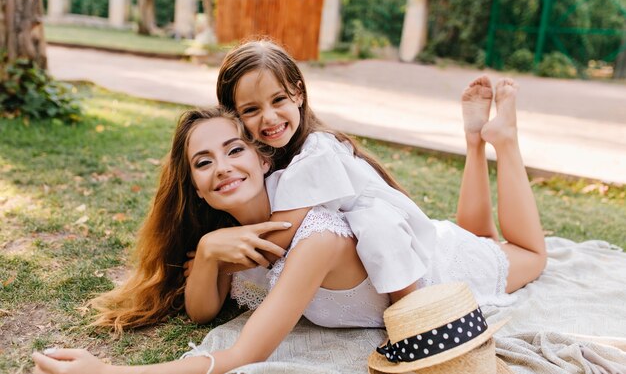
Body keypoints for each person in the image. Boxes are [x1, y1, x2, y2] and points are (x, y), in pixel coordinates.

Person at [33, 75, 547, 374]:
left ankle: (501, 140)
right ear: (193, 184)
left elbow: (242, 354)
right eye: (203, 162)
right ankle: (476, 140)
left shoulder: (316, 235)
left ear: (263, 158)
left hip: (442, 270)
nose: (224, 167)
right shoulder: (236, 240)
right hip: (417, 244)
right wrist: (210, 251)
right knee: (477, 231)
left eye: (234, 149)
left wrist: (108, 372)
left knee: (523, 251)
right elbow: (201, 313)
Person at [216, 40, 546, 301]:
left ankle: (505, 140)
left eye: (278, 100)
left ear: (298, 93)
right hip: (428, 244)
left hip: (426, 273)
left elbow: (271, 243)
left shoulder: (315, 155)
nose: (270, 118)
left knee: (532, 255)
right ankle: (474, 142)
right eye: (251, 110)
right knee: (480, 239)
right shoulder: (277, 157)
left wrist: (212, 255)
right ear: (233, 116)